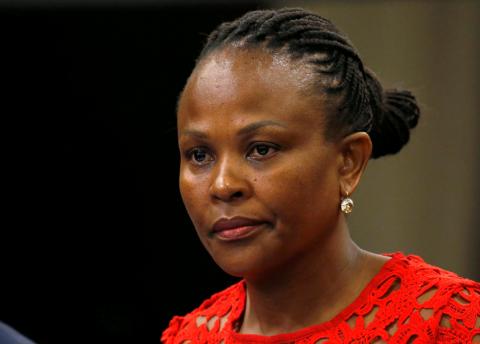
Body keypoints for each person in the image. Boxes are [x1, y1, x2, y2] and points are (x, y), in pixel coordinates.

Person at [162, 7, 480, 343]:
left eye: (262, 149)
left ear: (348, 162)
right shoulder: (189, 337)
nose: (223, 184)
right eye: (199, 155)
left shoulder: (449, 324)